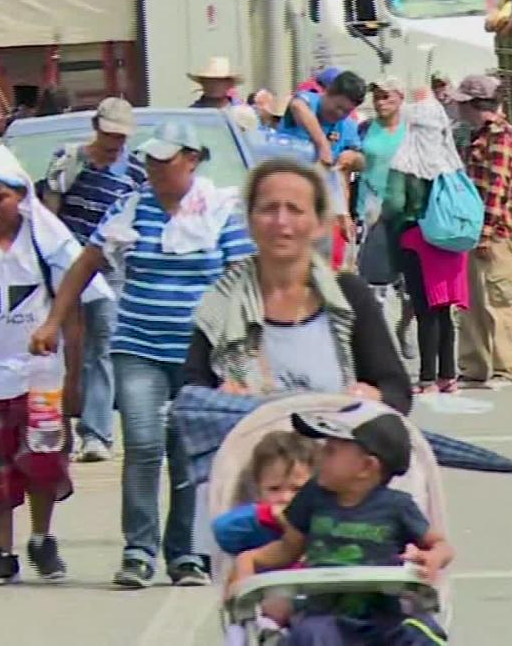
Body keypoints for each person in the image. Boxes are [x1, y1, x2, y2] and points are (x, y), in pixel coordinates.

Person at [34, 120, 256, 589]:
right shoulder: (130, 209)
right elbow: (84, 265)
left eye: (166, 160)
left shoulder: (220, 212)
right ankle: (138, 551)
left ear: (192, 160)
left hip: (201, 356)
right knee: (143, 444)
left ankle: (186, 555)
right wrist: (54, 320)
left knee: (186, 452)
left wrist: (248, 352)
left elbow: (244, 280)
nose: (155, 168)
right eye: (150, 159)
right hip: (138, 346)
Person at [0, 145, 109, 585]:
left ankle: (42, 538)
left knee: (43, 461)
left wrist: (74, 377)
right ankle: (2, 552)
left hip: (42, 376)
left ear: (21, 197)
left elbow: (73, 310)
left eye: (0, 198)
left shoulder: (45, 239)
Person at [186, 157, 414, 413]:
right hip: (249, 447)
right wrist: (220, 400)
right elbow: (190, 398)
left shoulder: (348, 295)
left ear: (319, 225)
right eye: (269, 208)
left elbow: (397, 391)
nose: (281, 221)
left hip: (336, 445)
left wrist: (373, 397)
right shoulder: (223, 301)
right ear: (249, 221)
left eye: (295, 209)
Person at [229, 403, 453, 646]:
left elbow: (440, 544)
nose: (321, 456)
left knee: (420, 631)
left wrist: (434, 557)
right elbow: (288, 548)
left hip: (383, 613)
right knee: (309, 634)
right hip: (325, 613)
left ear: (366, 467)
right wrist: (249, 560)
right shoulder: (312, 497)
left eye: (331, 451)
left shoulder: (398, 506)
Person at [42, 96, 146, 462]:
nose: (114, 143)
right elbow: (49, 217)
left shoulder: (135, 172)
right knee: (65, 347)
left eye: (120, 136)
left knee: (100, 347)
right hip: (68, 265)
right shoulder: (68, 161)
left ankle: (96, 432)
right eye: (108, 134)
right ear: (95, 130)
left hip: (111, 269)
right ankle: (55, 428)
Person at [382, 98, 470, 395]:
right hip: (452, 242)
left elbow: (394, 204)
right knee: (445, 309)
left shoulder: (404, 161)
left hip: (417, 241)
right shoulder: (451, 161)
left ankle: (427, 378)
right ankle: (449, 375)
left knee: (424, 309)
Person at [449, 75, 512, 390]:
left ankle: (507, 369)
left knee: (500, 302)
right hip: (471, 231)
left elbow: (497, 189)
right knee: (470, 304)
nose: (459, 109)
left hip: (494, 234)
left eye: (464, 103)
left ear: (476, 104)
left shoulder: (502, 137)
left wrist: (484, 232)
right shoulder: (475, 136)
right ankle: (474, 367)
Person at [214, 431, 318, 643]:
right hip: (268, 599)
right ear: (259, 489)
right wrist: (268, 514)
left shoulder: (321, 518)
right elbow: (222, 530)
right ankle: (269, 633)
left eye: (297, 489)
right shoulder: (257, 521)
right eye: (274, 489)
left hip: (315, 597)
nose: (285, 497)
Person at [277, 70, 369, 171]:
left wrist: (353, 157)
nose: (340, 114)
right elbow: (297, 106)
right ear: (328, 92)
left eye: (347, 111)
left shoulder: (348, 125)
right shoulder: (308, 101)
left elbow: (362, 161)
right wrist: (322, 144)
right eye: (338, 107)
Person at [356, 77, 408, 220]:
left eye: (386, 97)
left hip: (404, 211)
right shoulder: (364, 128)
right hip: (369, 209)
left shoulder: (412, 130)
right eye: (376, 98)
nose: (380, 103)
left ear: (401, 97)